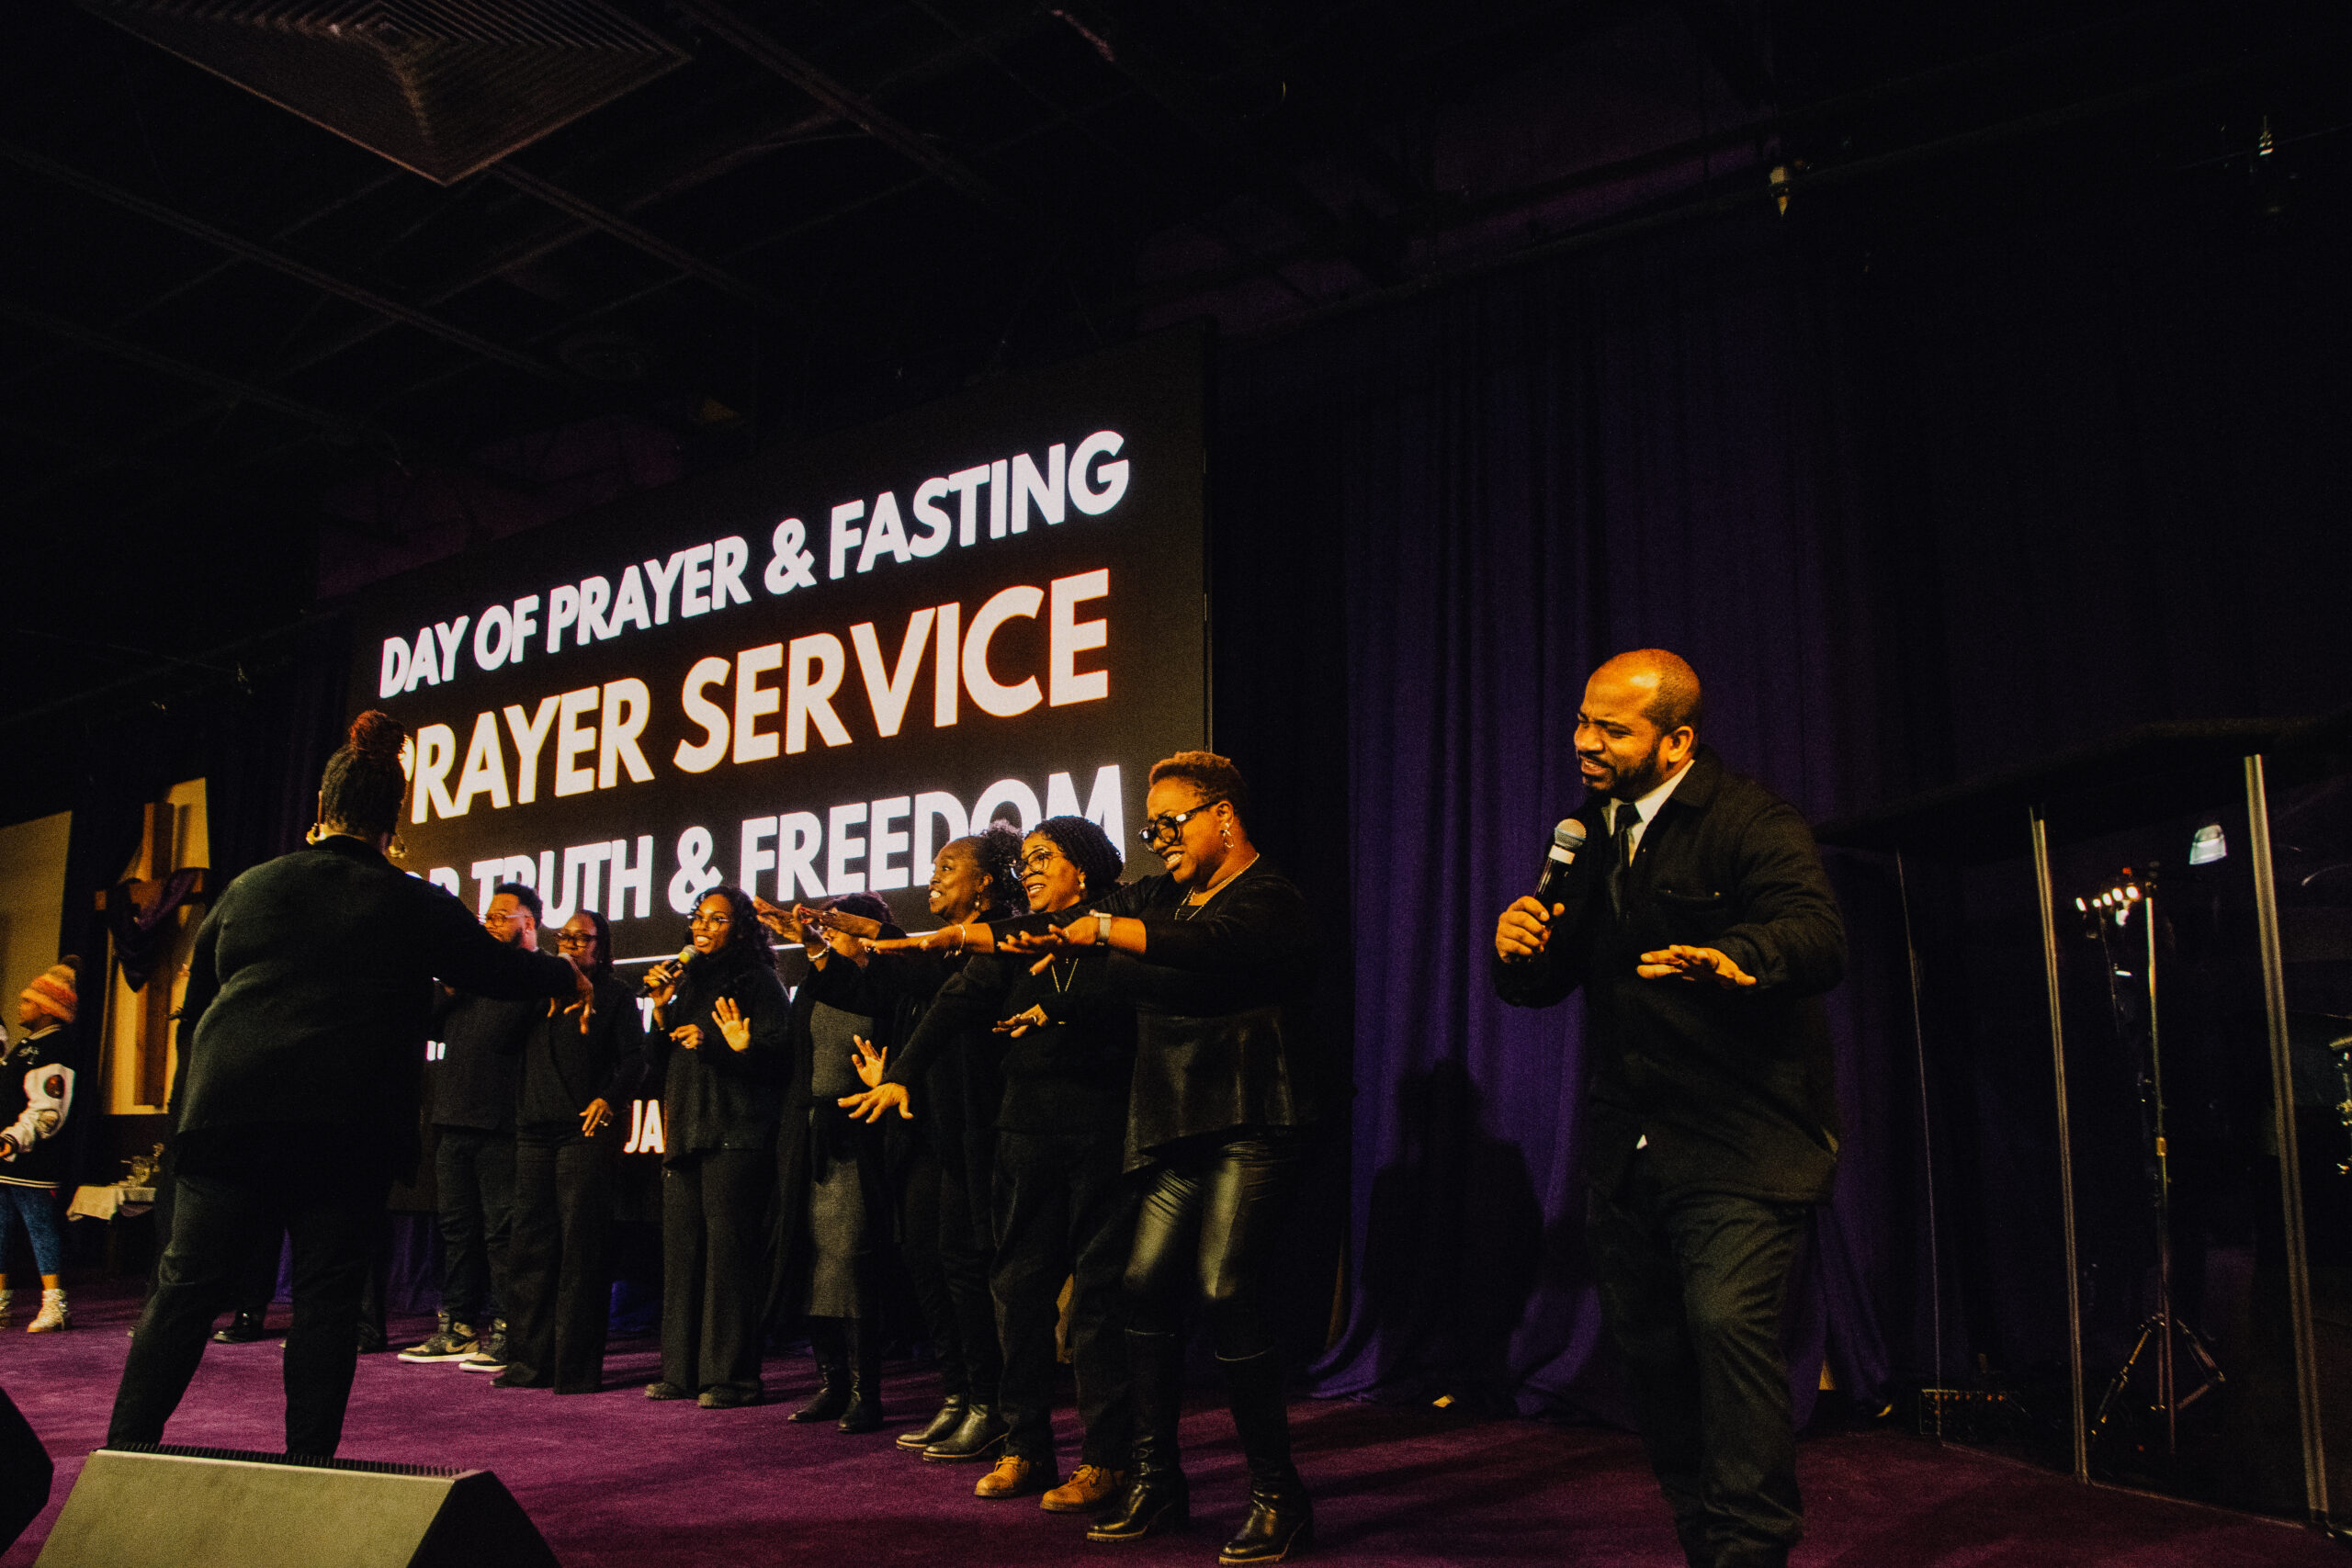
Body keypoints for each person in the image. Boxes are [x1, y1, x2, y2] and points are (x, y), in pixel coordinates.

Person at [107, 711, 582, 1457]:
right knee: (328, 1305)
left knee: (183, 1293)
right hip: (344, 1130)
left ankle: (123, 1452)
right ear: (392, 822)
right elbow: (497, 969)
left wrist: (184, 1122)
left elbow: (194, 1018)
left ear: (319, 811)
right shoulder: (411, 899)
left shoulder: (248, 889)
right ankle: (306, 1472)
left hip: (226, 1120)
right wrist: (567, 974)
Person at [1491, 649, 1845, 1568]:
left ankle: (1750, 1552)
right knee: (1651, 1360)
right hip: (1629, 1150)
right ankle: (1705, 1545)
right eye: (1580, 722)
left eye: (1611, 728)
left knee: (1727, 1333)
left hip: (1741, 1139)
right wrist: (1515, 948)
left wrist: (1738, 957)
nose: (1584, 742)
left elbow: (1815, 933)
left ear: (1675, 738)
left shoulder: (1749, 819)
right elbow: (1542, 981)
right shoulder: (1583, 832)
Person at [987, 755, 1325, 1564]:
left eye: (1168, 824)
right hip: (1175, 1125)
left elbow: (1201, 946)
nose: (1155, 840)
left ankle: (1279, 1494)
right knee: (1139, 1286)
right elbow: (1090, 915)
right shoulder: (1160, 895)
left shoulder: (1269, 897)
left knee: (1225, 1288)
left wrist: (1100, 931)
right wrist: (947, 939)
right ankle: (1156, 1479)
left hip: (1251, 1117)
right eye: (1148, 828)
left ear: (1222, 818)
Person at [850, 817, 1138, 1510]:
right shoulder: (1010, 940)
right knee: (1018, 1291)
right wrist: (903, 1074)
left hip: (1101, 1131)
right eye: (1028, 857)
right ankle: (1026, 1448)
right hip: (1024, 1132)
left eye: (1048, 856)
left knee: (1097, 1304)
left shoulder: (1122, 927)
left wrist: (1055, 1012)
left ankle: (1105, 1461)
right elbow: (955, 1001)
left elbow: (1119, 1004)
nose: (1031, 868)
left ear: (1088, 866)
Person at [763, 827, 1025, 1460]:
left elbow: (909, 962)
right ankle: (958, 1396)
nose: (933, 877)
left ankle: (991, 1405)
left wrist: (838, 924)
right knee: (926, 1264)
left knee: (965, 1271)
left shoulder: (994, 939)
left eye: (948, 866)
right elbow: (872, 986)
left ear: (986, 881)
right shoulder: (925, 957)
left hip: (969, 1127)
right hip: (920, 1129)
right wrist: (823, 942)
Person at [644, 885, 787, 1409]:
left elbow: (778, 1056)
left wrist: (724, 1049)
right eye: (698, 918)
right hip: (686, 1132)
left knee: (729, 1263)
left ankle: (732, 1379)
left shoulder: (758, 981)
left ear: (742, 926)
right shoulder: (685, 982)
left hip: (736, 1134)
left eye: (717, 919)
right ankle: (679, 1373)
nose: (703, 927)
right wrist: (661, 1014)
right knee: (682, 1259)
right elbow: (656, 1064)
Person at [763, 892, 900, 1435]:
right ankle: (832, 1384)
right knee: (813, 1258)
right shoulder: (822, 981)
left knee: (850, 1260)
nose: (830, 935)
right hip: (808, 1136)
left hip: (855, 1137)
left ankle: (868, 1393)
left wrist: (827, 951)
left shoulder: (884, 983)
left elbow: (858, 993)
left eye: (841, 927)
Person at [398, 882, 544, 1373]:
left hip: (501, 1122)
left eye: (505, 916)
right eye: (488, 916)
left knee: (501, 1233)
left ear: (530, 923)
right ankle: (458, 1327)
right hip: (452, 1118)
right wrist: (448, 990)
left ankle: (508, 1328)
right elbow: (427, 1024)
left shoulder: (529, 978)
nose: (492, 923)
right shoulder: (468, 982)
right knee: (457, 1230)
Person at [500, 908, 645, 1393]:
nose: (570, 944)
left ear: (600, 947)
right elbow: (501, 1043)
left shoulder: (616, 994)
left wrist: (609, 1098)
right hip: (534, 1132)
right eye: (564, 937)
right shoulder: (537, 989)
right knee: (530, 1250)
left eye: (581, 939)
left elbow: (635, 1060)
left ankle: (574, 1371)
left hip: (585, 1133)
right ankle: (528, 1364)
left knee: (581, 1252)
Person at [0, 959, 80, 1333]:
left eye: (28, 1001)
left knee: (39, 1227)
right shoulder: (27, 1046)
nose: (21, 1006)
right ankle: (1, 1300)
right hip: (7, 1158)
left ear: (48, 1009)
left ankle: (54, 1303)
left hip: (34, 1161)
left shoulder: (56, 1048)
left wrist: (15, 1137)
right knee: (0, 1228)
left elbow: (49, 1111)